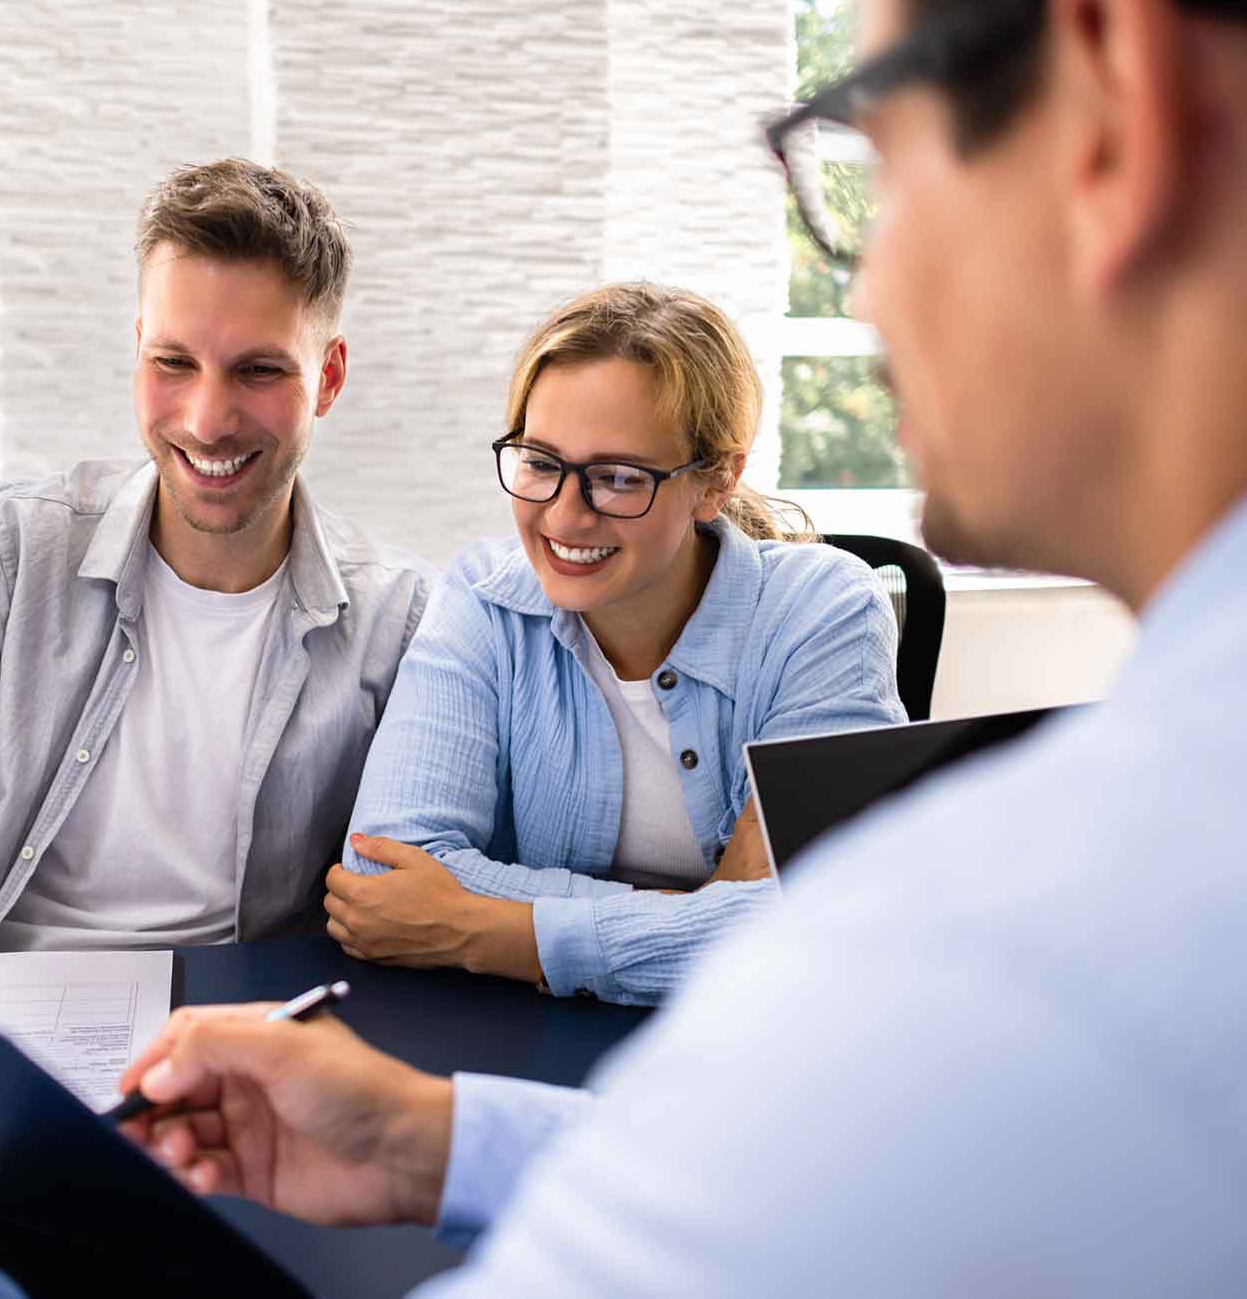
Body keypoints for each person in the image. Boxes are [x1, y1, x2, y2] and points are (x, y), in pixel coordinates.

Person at [0, 0, 1247, 1292]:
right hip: (53, 1082)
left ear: (1113, 101)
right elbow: (375, 876)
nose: (873, 275)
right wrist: (448, 1126)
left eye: (868, 153)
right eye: (539, 466)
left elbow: (566, 923)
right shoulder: (129, 562)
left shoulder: (995, 949)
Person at [0, 158, 431, 964]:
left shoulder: (398, 620)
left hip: (236, 1044)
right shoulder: (1, 552)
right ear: (138, 352)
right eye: (174, 363)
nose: (207, 420)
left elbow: (414, 891)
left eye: (259, 370)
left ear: (328, 376)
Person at [324, 283, 905, 1005]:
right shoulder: (484, 598)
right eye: (540, 462)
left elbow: (829, 920)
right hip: (531, 1043)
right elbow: (384, 873)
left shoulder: (823, 610)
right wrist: (702, 914)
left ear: (715, 481)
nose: (565, 516)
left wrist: (498, 930)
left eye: (619, 477)